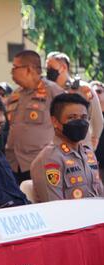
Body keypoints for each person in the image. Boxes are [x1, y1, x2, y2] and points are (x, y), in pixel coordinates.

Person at [31, 93, 103, 202]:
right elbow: (55, 207)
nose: (79, 122)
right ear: (55, 121)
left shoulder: (88, 153)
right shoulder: (50, 158)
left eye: (83, 117)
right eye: (71, 118)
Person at [6, 50, 64, 185]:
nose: (11, 71)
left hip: (41, 162)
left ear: (29, 69)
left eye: (15, 67)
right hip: (14, 163)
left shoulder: (53, 92)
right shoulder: (15, 95)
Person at [46, 52, 103, 150]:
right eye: (47, 68)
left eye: (50, 67)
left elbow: (98, 119)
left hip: (80, 147)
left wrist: (94, 138)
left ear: (63, 67)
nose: (48, 71)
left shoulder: (83, 89)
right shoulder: (47, 91)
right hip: (56, 148)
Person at [90, 81, 104, 179]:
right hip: (93, 163)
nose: (96, 94)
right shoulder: (86, 115)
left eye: (99, 91)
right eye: (93, 92)